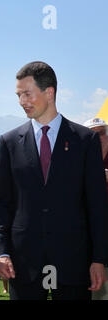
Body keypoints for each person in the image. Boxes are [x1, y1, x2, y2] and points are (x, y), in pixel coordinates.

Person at [0, 61, 108, 300]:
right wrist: (2, 253)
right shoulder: (9, 142)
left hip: (74, 263)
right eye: (18, 95)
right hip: (23, 266)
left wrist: (99, 259)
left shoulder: (86, 141)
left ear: (50, 92)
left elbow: (97, 205)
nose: (22, 101)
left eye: (27, 93)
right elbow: (0, 203)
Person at [83, 117, 108, 300]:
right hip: (87, 241)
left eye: (102, 133)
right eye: (93, 134)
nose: (98, 137)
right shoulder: (78, 162)